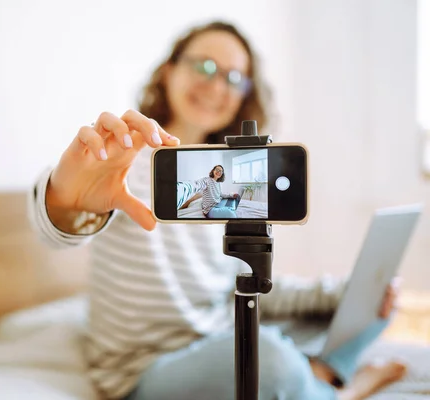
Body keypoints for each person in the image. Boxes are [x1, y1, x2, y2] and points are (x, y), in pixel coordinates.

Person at [28, 21, 404, 400]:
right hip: (146, 371)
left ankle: (316, 373)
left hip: (221, 338)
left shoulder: (227, 180)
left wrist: (345, 293)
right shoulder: (122, 165)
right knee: (269, 358)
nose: (217, 85)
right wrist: (64, 201)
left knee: (367, 308)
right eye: (204, 67)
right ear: (169, 70)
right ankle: (337, 387)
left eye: (235, 77)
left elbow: (244, 287)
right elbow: (57, 228)